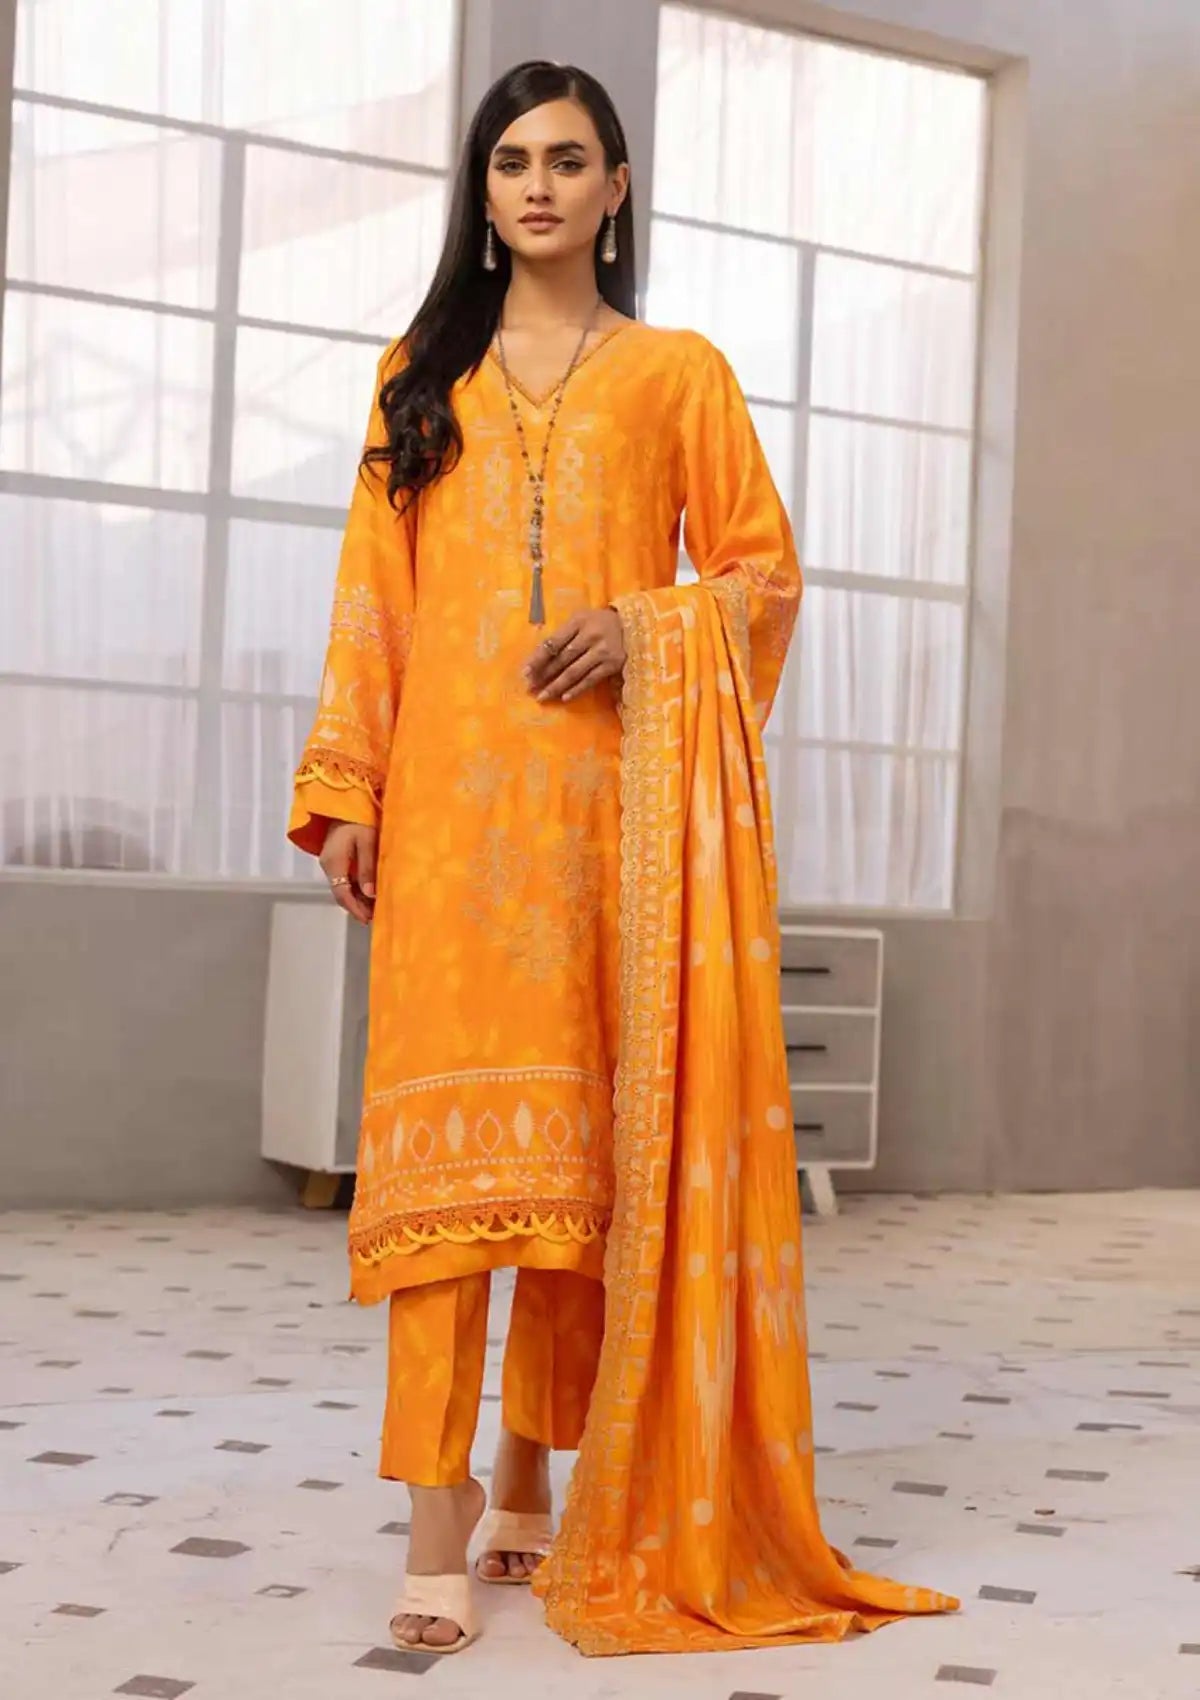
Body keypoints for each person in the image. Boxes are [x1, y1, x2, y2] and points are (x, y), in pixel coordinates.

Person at [288, 59, 958, 1659]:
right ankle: (438, 1509)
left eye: (567, 159)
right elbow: (372, 599)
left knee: (580, 1182)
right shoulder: (418, 377)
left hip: (609, 828)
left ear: (616, 186)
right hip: (452, 833)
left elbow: (760, 574)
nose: (537, 185)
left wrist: (641, 624)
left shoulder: (677, 377)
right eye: (511, 160)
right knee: (446, 1185)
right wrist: (348, 785)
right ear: (484, 190)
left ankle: (533, 1472)